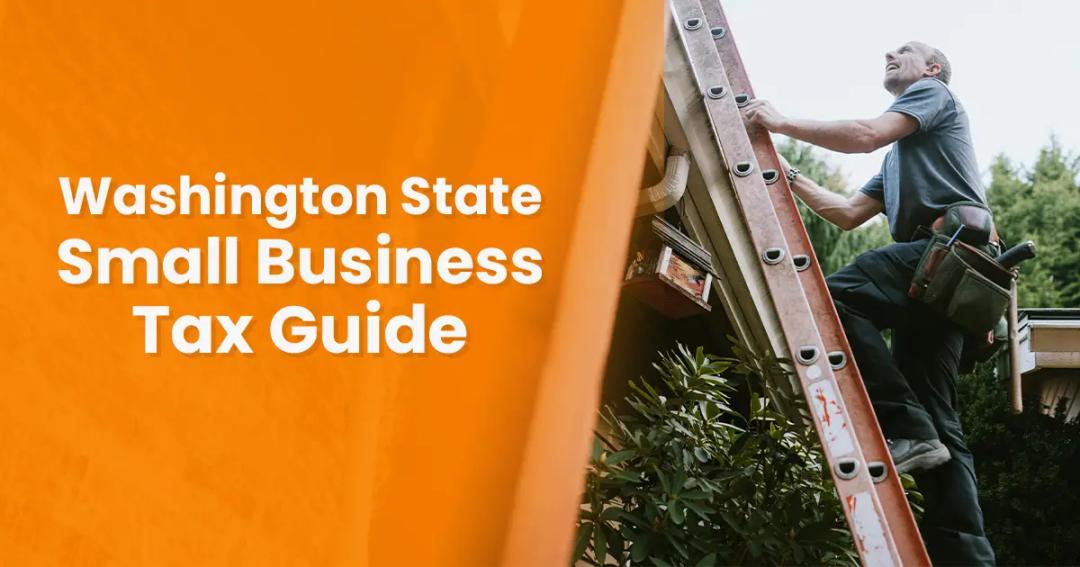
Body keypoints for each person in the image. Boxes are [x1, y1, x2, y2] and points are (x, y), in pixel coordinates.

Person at [742, 41, 995, 565]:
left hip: (949, 256)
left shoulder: (934, 93)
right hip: (944, 279)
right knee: (940, 423)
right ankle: (966, 555)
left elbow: (863, 135)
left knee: (834, 298)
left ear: (932, 69)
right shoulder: (899, 158)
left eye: (905, 50)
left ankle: (906, 427)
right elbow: (846, 212)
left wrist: (781, 122)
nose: (890, 53)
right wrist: (783, 170)